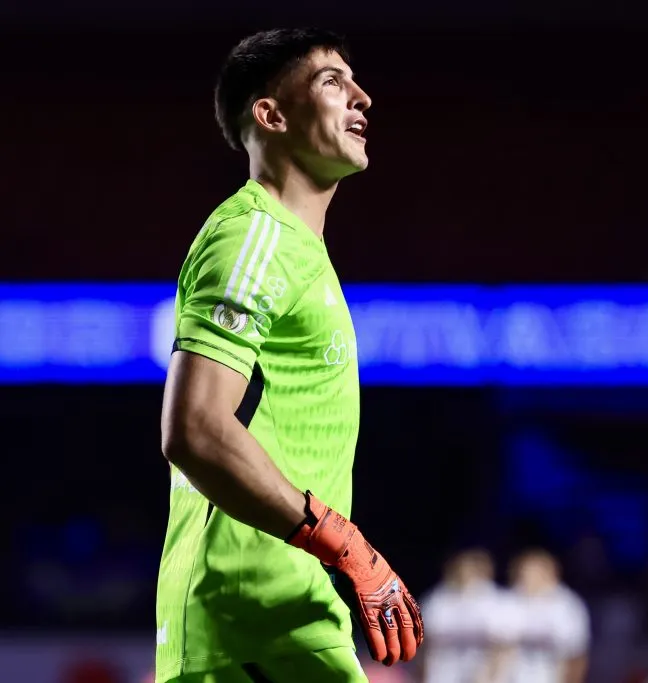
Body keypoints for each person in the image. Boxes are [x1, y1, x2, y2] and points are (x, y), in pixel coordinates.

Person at [155, 28, 423, 683]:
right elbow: (194, 429)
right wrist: (346, 542)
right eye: (332, 81)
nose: (361, 97)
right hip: (254, 609)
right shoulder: (252, 236)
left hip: (283, 609)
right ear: (270, 115)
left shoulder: (300, 250)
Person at [419, 549, 517, 683]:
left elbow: (503, 648)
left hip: (482, 676)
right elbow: (424, 645)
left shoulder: (497, 600)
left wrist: (492, 678)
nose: (465, 572)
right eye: (461, 567)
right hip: (442, 675)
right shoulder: (437, 599)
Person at [505, 549, 590, 683]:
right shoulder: (509, 600)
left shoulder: (567, 605)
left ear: (550, 573)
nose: (528, 576)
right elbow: (496, 649)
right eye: (524, 571)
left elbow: (576, 655)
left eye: (534, 572)